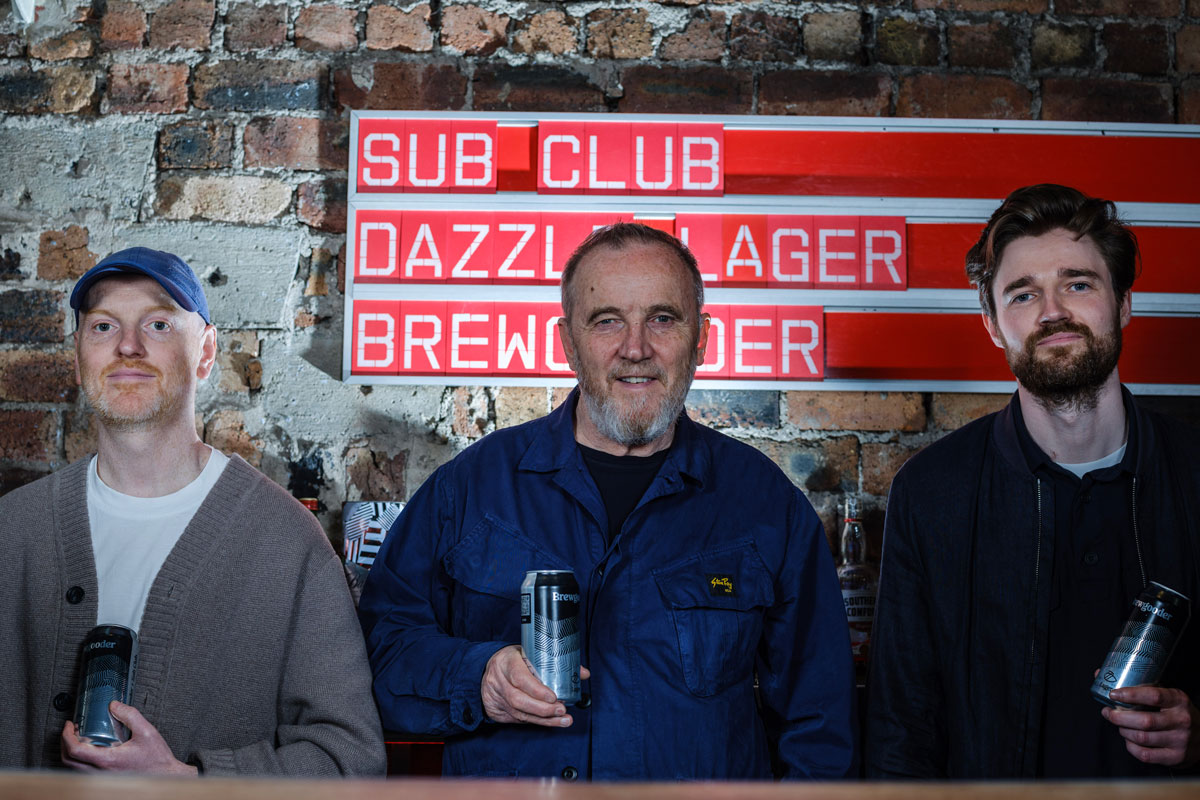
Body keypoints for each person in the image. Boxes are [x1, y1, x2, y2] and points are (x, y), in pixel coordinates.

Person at [359, 223, 856, 780]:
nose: (636, 349)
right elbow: (377, 656)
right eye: (607, 320)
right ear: (569, 342)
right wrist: (477, 678)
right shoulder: (468, 491)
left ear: (701, 338)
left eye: (663, 319)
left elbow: (821, 729)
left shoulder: (767, 508)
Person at [0, 247, 386, 775]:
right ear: (78, 354)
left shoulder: (287, 544)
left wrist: (187, 782)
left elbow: (350, 762)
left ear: (206, 353)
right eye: (104, 326)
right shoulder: (13, 530)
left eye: (158, 324)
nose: (128, 346)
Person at [866, 184, 1200, 778]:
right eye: (1024, 294)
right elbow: (903, 724)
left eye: (1078, 283)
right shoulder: (931, 493)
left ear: (1122, 304)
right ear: (994, 325)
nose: (1052, 312)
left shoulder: (1193, 473)